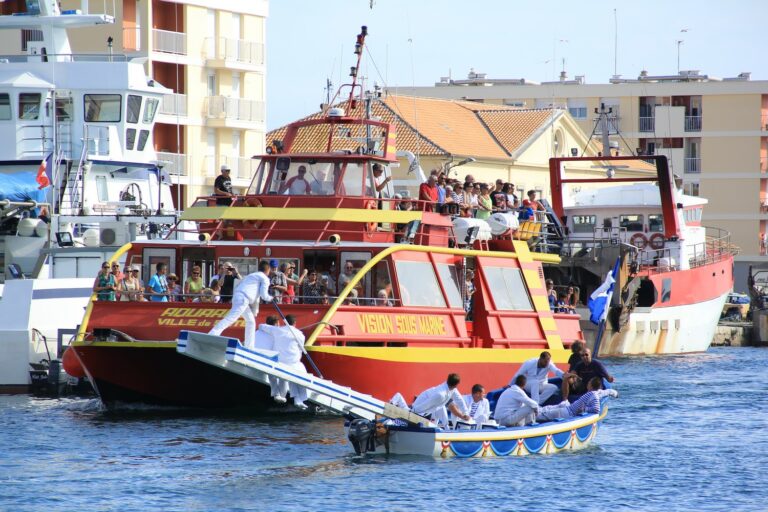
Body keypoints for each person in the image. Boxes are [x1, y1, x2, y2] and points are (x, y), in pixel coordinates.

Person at [209, 260, 273, 348]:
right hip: (243, 299)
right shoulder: (265, 278)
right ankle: (212, 334)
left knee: (251, 321)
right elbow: (264, 295)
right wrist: (271, 298)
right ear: (268, 269)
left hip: (239, 297)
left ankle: (249, 346)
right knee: (231, 318)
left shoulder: (252, 275)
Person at [259, 314, 309, 409]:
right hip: (293, 362)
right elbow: (301, 348)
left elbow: (261, 326)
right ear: (295, 323)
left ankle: (292, 398)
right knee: (300, 374)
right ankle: (298, 399)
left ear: (284, 322)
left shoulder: (277, 330)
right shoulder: (300, 334)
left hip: (280, 361)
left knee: (291, 374)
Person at [537, 377, 618, 421]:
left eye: (589, 382)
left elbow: (596, 409)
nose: (588, 383)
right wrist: (615, 393)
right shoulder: (597, 393)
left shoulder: (593, 394)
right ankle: (536, 410)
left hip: (568, 412)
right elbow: (607, 392)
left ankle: (533, 416)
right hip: (568, 407)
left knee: (544, 415)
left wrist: (584, 409)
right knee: (547, 408)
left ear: (591, 385)